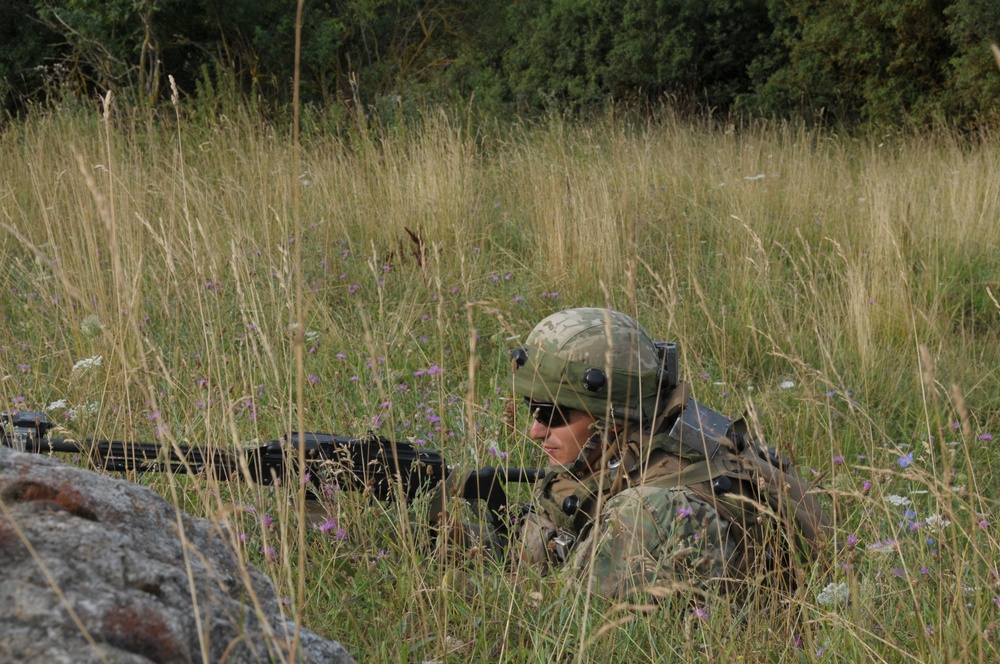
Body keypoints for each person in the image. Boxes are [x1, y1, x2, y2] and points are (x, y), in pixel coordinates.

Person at [508, 307, 830, 600]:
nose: (535, 432)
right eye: (532, 411)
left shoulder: (650, 512)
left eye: (551, 415)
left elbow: (557, 620)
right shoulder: (630, 448)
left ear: (613, 419)